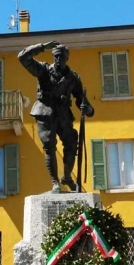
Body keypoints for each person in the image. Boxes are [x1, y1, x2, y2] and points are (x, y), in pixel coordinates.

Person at [18, 41, 94, 193]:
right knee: (49, 146)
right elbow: (22, 57)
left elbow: (81, 100)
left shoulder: (73, 78)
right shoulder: (43, 70)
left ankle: (67, 177)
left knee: (71, 144)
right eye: (56, 56)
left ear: (67, 58)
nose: (58, 59)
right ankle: (55, 182)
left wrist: (88, 109)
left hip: (63, 113)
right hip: (45, 112)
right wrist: (43, 46)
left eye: (61, 56)